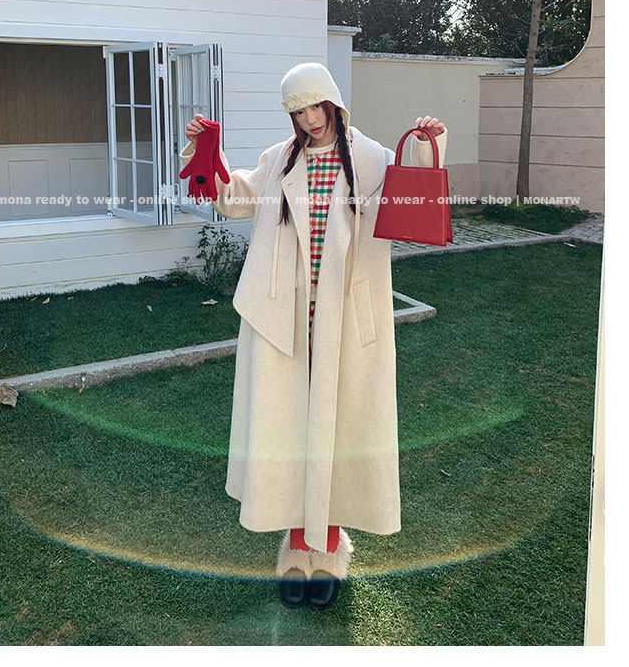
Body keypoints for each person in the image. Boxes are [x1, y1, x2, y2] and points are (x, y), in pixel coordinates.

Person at [180, 62, 447, 609]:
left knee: (338, 426)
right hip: (284, 317)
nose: (308, 120)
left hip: (346, 318)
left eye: (314, 107)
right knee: (288, 427)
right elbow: (235, 198)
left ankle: (326, 545)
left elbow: (414, 200)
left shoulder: (371, 159)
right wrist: (207, 155)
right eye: (298, 112)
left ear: (334, 103)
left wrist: (426, 146)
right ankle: (296, 540)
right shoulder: (280, 159)